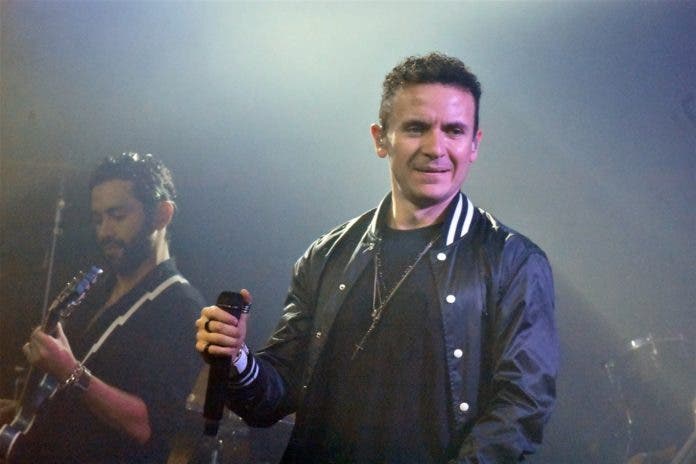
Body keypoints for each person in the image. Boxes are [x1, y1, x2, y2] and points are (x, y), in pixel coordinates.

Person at [196, 52, 559, 463]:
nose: (435, 148)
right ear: (380, 139)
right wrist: (236, 357)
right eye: (416, 128)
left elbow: (522, 406)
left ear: (474, 144)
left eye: (454, 130)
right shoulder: (328, 255)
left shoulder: (513, 262)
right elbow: (273, 399)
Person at [0, 152, 204, 463]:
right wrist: (19, 410)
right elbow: (64, 401)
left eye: (117, 216)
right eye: (98, 219)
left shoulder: (181, 306)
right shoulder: (95, 286)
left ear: (162, 215)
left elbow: (145, 425)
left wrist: (69, 371)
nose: (105, 231)